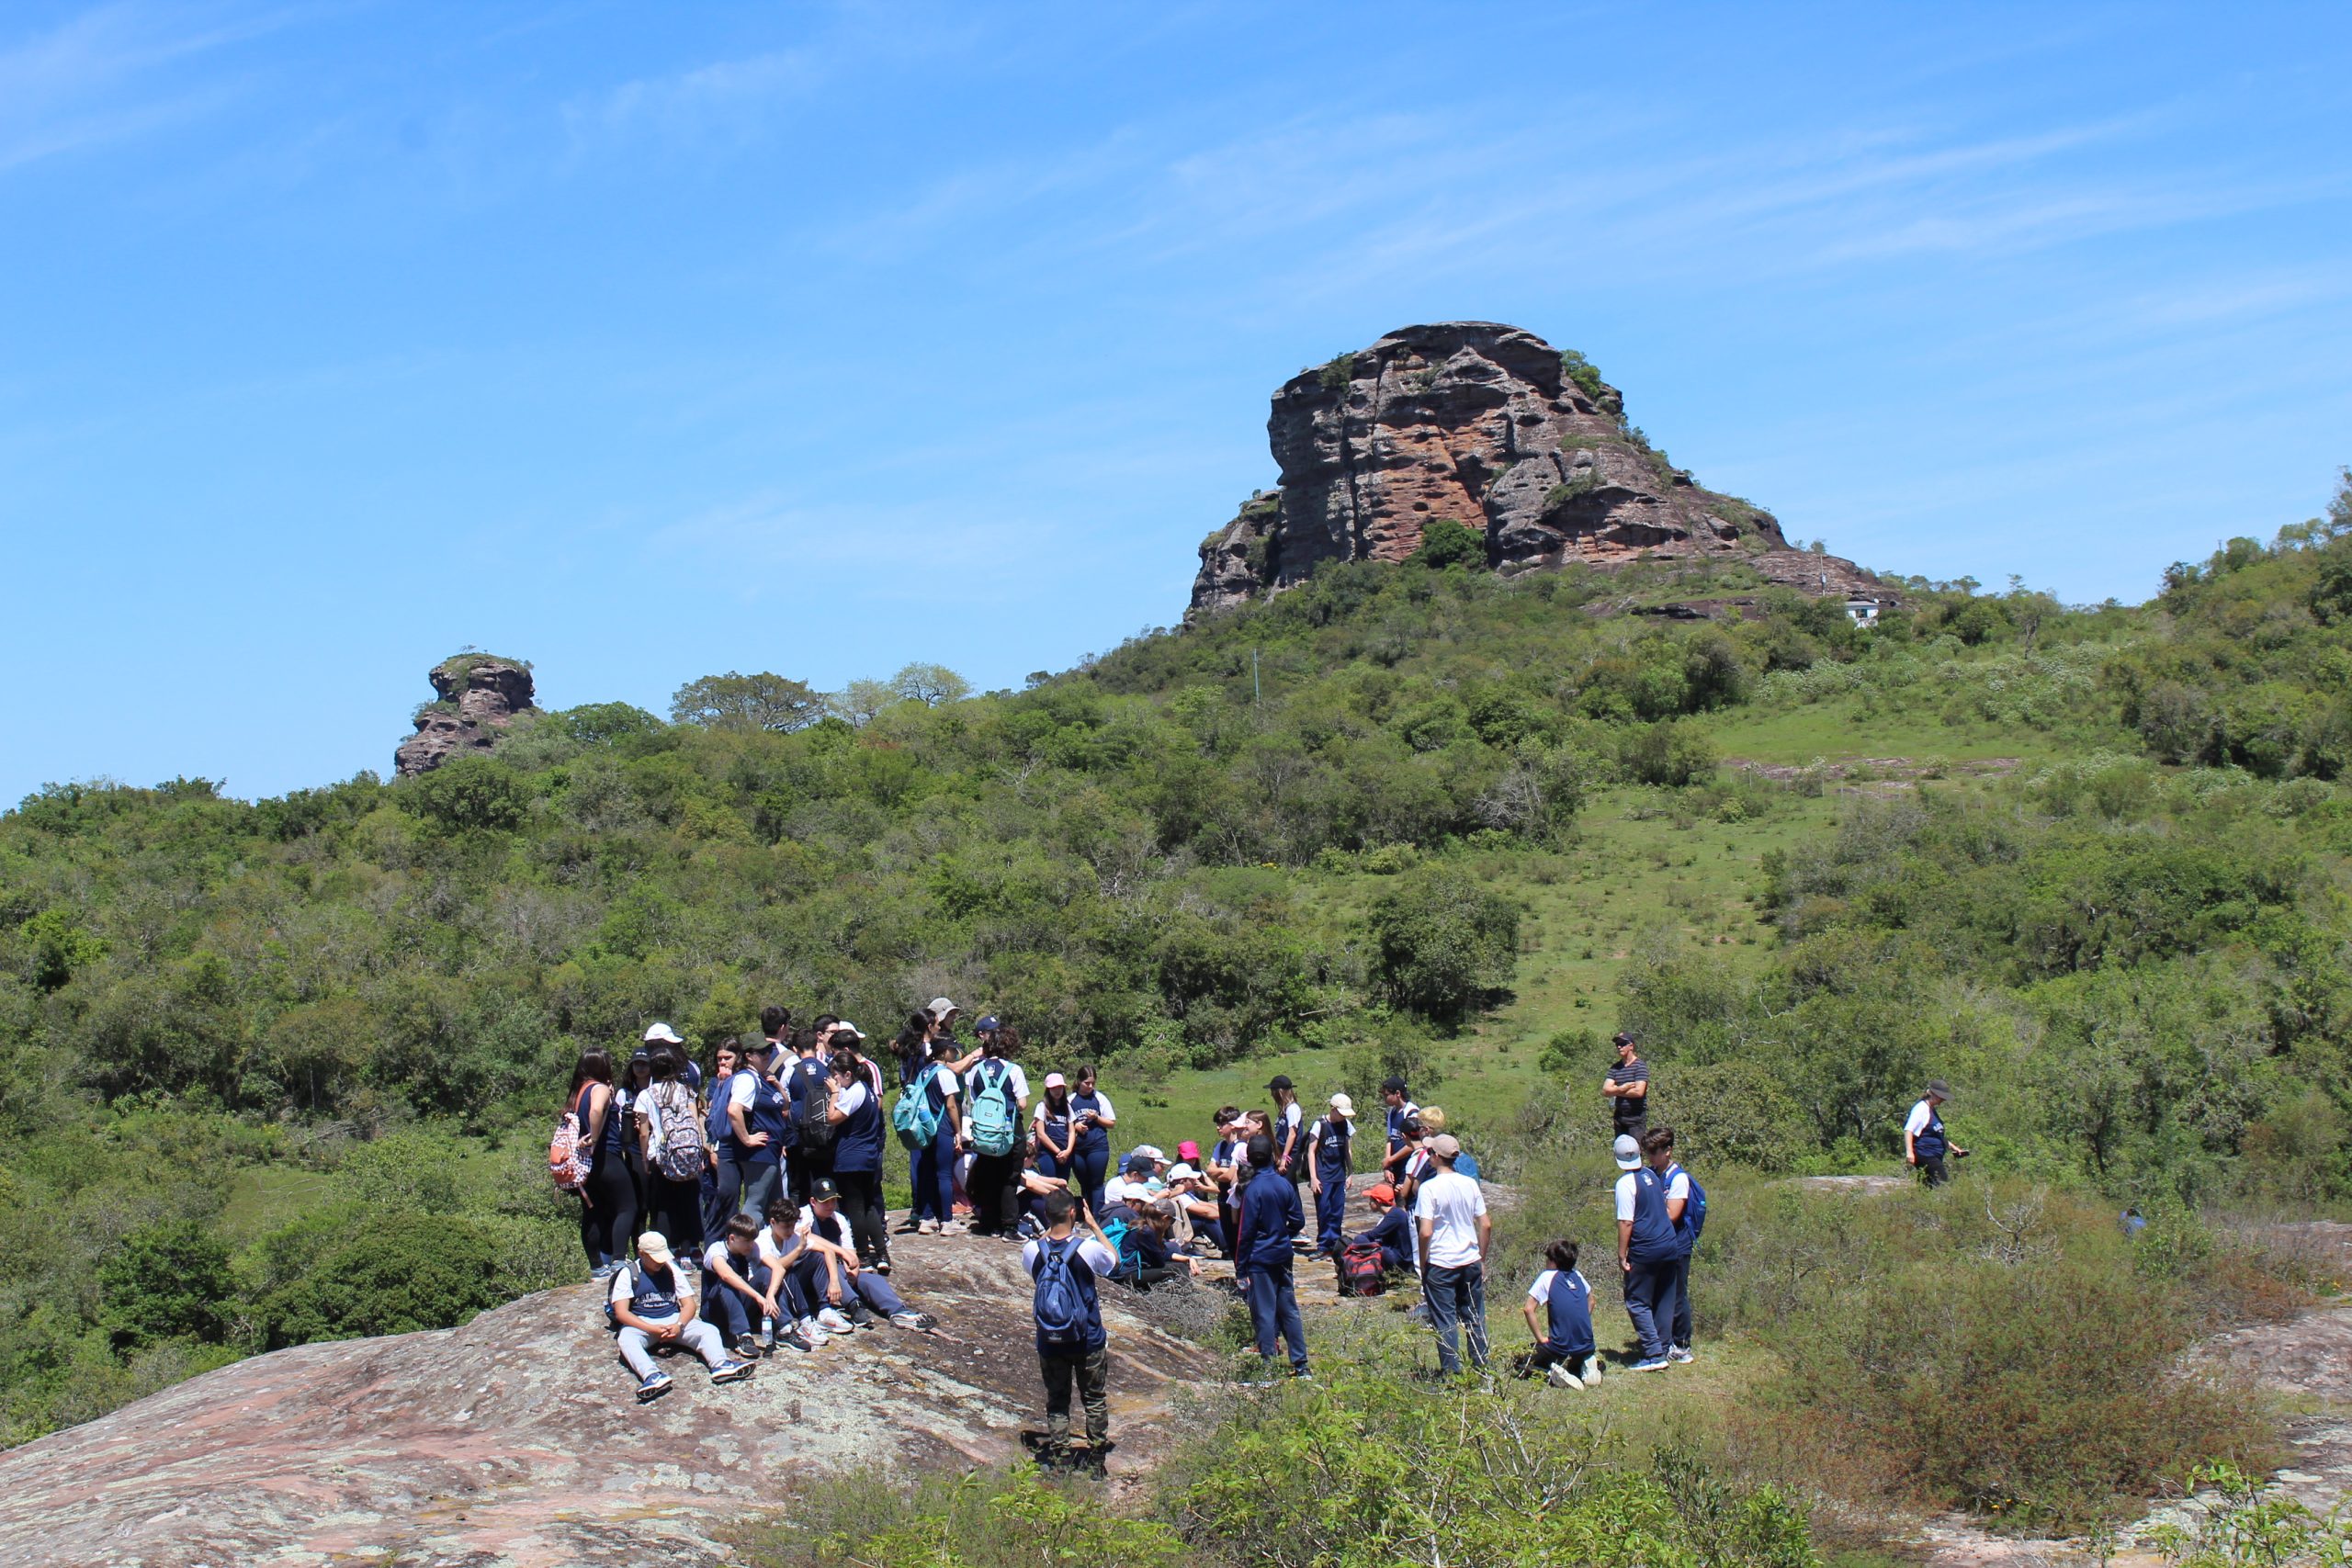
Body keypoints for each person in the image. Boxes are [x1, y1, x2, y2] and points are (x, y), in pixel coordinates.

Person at [1023, 1190, 1118, 1469]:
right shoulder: (1087, 1248)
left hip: (1050, 1339)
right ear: (1073, 1213)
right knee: (1094, 1398)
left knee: (1057, 1400)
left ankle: (1061, 1458)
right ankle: (1097, 1459)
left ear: (1046, 1215)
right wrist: (1094, 1227)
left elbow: (1038, 1278)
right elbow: (1113, 1261)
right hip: (1087, 1337)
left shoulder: (1031, 1250)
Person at [606, 1230, 753, 1403]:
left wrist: (679, 1325)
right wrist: (651, 1329)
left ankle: (720, 1365)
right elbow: (622, 1312)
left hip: (674, 1319)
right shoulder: (629, 1273)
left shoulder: (671, 1269)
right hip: (643, 1323)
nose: (659, 1262)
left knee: (708, 1330)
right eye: (654, 1258)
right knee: (626, 1339)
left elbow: (689, 1304)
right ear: (642, 1254)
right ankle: (652, 1376)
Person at [791, 1178, 937, 1331]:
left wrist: (853, 1272)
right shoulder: (803, 1216)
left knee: (869, 1278)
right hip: (806, 1275)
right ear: (813, 1202)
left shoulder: (839, 1220)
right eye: (825, 1202)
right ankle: (854, 1306)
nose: (830, 1206)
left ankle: (899, 1312)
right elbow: (805, 1238)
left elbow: (851, 1255)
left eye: (833, 1201)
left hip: (836, 1275)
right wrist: (840, 1252)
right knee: (825, 1261)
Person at [1234, 1132, 1309, 1383]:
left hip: (1259, 1258)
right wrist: (1282, 1234)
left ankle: (1268, 1367)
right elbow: (1298, 1220)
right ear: (1271, 1157)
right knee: (1289, 1310)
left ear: (1250, 1161)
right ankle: (1301, 1366)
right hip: (1282, 1254)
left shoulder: (1252, 1190)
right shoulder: (1283, 1184)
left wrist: (1240, 1269)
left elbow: (1245, 1232)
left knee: (1264, 1312)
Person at [1414, 1134, 1491, 1377]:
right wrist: (1482, 1257)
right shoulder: (1469, 1184)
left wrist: (1423, 1261)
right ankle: (1482, 1370)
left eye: (1430, 1153)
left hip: (1441, 1262)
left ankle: (1451, 1374)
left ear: (1436, 1157)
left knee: (1445, 1319)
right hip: (1469, 1260)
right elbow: (1486, 1224)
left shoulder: (1429, 1189)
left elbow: (1425, 1231)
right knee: (1474, 1317)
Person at [1613, 1131, 1682, 1372]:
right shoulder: (1651, 1175)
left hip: (1646, 1249)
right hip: (1668, 1244)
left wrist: (1622, 1254)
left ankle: (1653, 1354)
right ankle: (1662, 1349)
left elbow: (1626, 1223)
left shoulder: (1625, 1184)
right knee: (1664, 1299)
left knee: (1637, 1301)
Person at [820, 1049, 893, 1271]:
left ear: (848, 1074)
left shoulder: (854, 1092)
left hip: (852, 1157)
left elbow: (832, 1118)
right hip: (868, 1155)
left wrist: (833, 1094)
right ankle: (881, 1254)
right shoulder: (869, 1091)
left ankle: (863, 1256)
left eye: (836, 1076)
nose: (835, 1081)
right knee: (869, 1206)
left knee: (855, 1208)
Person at [635, 1043, 707, 1261]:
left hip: (662, 1155)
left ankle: (670, 1249)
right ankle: (691, 1250)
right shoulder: (685, 1091)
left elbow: (644, 1133)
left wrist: (646, 1160)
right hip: (687, 1153)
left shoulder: (646, 1096)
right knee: (689, 1201)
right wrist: (699, 1152)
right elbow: (695, 1123)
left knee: (665, 1204)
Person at [569, 1049, 636, 1278]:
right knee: (628, 1207)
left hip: (587, 1162)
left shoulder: (579, 1092)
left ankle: (597, 1266)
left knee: (593, 1212)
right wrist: (595, 1137)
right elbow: (597, 1110)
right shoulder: (598, 1088)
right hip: (606, 1154)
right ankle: (618, 1260)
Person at [962, 1022, 1030, 1237]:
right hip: (1009, 1131)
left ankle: (987, 1223)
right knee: (1009, 1178)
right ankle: (1008, 1226)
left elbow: (973, 1101)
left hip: (983, 1132)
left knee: (986, 1176)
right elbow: (1022, 1104)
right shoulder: (1013, 1070)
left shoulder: (974, 1071)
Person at [701, 1213, 793, 1359]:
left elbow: (778, 1268)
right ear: (732, 1238)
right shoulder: (716, 1250)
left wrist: (769, 1295)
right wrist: (758, 1297)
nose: (751, 1245)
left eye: (752, 1241)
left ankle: (785, 1329)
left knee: (766, 1273)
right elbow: (726, 1275)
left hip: (738, 1305)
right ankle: (743, 1336)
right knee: (727, 1282)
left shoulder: (751, 1247)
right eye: (746, 1241)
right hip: (715, 1310)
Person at [1514, 1238, 1600, 1388]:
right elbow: (1591, 1301)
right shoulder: (1577, 1275)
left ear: (1553, 1261)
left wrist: (1541, 1338)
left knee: (1520, 1362)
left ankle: (1555, 1375)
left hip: (1560, 1345)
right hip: (1586, 1343)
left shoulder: (1548, 1276)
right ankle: (1584, 1368)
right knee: (1579, 1359)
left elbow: (1528, 1309)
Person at [904, 1037, 965, 1235]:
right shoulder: (945, 1074)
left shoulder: (923, 1072)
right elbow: (951, 1105)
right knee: (944, 1175)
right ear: (943, 1052)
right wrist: (958, 1131)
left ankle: (927, 1218)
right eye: (952, 1050)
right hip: (942, 1127)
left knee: (927, 1173)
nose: (955, 1054)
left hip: (925, 1128)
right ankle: (947, 1221)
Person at [1657, 1128, 1700, 1363]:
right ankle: (1666, 1340)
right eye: (1648, 1152)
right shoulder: (1655, 1173)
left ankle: (1682, 1345)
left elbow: (1672, 1214)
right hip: (1661, 1243)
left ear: (1668, 1151)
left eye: (1655, 1152)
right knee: (1661, 1293)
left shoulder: (1679, 1178)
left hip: (1679, 1245)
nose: (1650, 1156)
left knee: (1678, 1294)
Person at [783, 1025, 836, 1211]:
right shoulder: (828, 1069)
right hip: (824, 1136)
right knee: (824, 1181)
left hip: (798, 1138)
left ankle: (799, 1227)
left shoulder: (790, 1071)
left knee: (798, 1187)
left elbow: (784, 1106)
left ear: (795, 1049)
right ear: (816, 1044)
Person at [702, 1039, 743, 1242]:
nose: (723, 1062)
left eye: (728, 1058)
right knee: (724, 1197)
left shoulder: (744, 1079)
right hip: (723, 1147)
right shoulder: (714, 1083)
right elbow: (713, 1117)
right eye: (719, 1059)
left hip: (744, 1147)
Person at [1067, 1065, 1116, 1217]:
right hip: (1077, 1148)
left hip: (1097, 1146)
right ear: (1079, 1081)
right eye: (1087, 1083)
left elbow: (1111, 1122)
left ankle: (1097, 1216)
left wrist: (1096, 1118)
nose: (1090, 1086)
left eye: (1093, 1083)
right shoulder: (1071, 1100)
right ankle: (1085, 1213)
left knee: (1096, 1183)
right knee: (1084, 1183)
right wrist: (1076, 1126)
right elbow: (1065, 1122)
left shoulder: (1099, 1098)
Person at [1308, 1093, 1354, 1257]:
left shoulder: (1345, 1125)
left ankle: (1335, 1245)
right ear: (1333, 1109)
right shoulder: (1320, 1125)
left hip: (1339, 1175)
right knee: (1324, 1210)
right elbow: (1311, 1151)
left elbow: (1347, 1149)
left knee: (1337, 1211)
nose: (1343, 1117)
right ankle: (1323, 1245)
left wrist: (1350, 1172)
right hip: (1323, 1176)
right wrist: (1313, 1177)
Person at [1905, 1080, 1964, 1187]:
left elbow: (1936, 1134)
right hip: (1925, 1154)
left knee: (1927, 1187)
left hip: (1933, 1154)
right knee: (1943, 1182)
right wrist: (1909, 1152)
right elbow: (1909, 1130)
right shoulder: (1921, 1109)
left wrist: (1954, 1147)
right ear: (1932, 1094)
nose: (1942, 1100)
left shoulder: (1931, 1109)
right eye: (1940, 1097)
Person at [1163, 1163, 1228, 1256]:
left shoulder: (1186, 1192)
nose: (1196, 1180)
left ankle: (1227, 1242)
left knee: (1214, 1215)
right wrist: (1228, 1215)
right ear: (1182, 1181)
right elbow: (1205, 1212)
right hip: (1174, 1230)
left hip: (1184, 1225)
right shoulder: (1180, 1196)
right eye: (1192, 1179)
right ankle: (1226, 1247)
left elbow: (1205, 1205)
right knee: (1204, 1219)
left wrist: (1225, 1211)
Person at [1352, 1180, 1414, 1271]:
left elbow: (1374, 1234)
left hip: (1400, 1259)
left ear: (1377, 1201)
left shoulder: (1395, 1215)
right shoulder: (1393, 1213)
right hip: (1396, 1253)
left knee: (1360, 1240)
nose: (1369, 1203)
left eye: (1371, 1199)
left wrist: (1358, 1238)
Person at [1602, 1032, 1650, 1144]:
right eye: (1617, 1044)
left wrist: (1615, 1090)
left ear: (1631, 1046)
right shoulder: (1615, 1068)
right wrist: (1623, 1088)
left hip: (1636, 1117)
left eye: (1622, 1043)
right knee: (1621, 1151)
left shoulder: (1640, 1066)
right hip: (1619, 1117)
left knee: (1635, 1151)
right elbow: (1605, 1090)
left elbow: (1639, 1092)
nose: (1619, 1047)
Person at [1033, 1072, 1076, 1181]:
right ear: (1048, 1089)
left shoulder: (1067, 1107)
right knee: (1050, 1181)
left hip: (1065, 1151)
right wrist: (1057, 1151)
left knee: (1063, 1182)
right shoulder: (1041, 1107)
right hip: (1047, 1152)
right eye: (1054, 1088)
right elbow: (1041, 1134)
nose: (1057, 1091)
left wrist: (1068, 1151)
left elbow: (1071, 1131)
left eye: (1060, 1088)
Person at [1380, 1077, 1421, 1183]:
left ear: (1397, 1094)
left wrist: (1390, 1160)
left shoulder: (1412, 1113)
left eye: (1386, 1095)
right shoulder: (1392, 1112)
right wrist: (1387, 1166)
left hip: (1408, 1167)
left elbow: (1414, 1144)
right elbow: (1390, 1139)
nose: (1384, 1098)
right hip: (1395, 1167)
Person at [1268, 1076, 1307, 1184]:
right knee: (1289, 1186)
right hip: (1282, 1151)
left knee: (1287, 1184)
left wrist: (1285, 1157)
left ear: (1279, 1092)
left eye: (1273, 1091)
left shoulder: (1292, 1109)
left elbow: (1292, 1134)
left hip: (1291, 1154)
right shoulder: (1284, 1110)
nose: (1271, 1094)